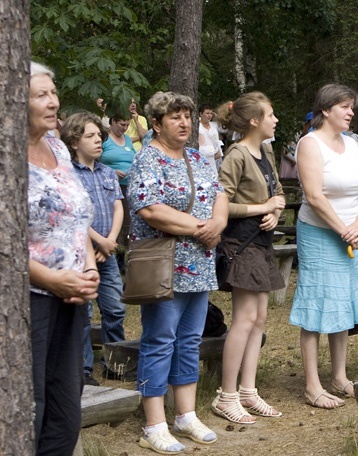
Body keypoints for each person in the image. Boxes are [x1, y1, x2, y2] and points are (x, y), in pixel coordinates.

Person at [127, 91, 228, 454]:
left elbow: (219, 194)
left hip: (199, 262)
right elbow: (149, 209)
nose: (184, 122)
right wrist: (200, 227)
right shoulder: (147, 159)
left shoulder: (199, 158)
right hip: (163, 264)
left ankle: (185, 415)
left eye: (187, 116)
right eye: (175, 117)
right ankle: (154, 423)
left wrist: (217, 222)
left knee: (189, 339)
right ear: (156, 124)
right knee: (160, 339)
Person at [28, 61, 99, 456]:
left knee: (65, 413)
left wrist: (87, 267)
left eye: (54, 93)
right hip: (26, 302)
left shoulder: (57, 145)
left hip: (71, 298)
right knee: (26, 408)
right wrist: (51, 279)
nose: (54, 102)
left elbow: (77, 219)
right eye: (41, 94)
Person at [289, 84, 358, 409]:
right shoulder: (309, 143)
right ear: (326, 110)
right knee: (317, 306)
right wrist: (343, 230)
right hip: (321, 235)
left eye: (352, 107)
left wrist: (357, 226)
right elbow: (313, 196)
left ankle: (339, 377)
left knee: (344, 305)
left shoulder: (354, 144)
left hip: (352, 236)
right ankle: (312, 385)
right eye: (344, 107)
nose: (351, 112)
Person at [211, 92, 286, 424]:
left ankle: (247, 391)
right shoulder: (237, 154)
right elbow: (221, 202)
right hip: (241, 245)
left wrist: (275, 210)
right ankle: (226, 396)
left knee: (258, 320)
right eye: (271, 115)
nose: (276, 120)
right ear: (254, 120)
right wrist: (262, 209)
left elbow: (279, 193)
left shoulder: (266, 150)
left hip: (262, 244)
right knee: (243, 320)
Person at [61, 111, 127, 386]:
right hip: (80, 254)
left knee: (115, 308)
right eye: (90, 136)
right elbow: (73, 215)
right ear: (75, 142)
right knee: (84, 314)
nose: (98, 141)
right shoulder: (67, 173)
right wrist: (98, 241)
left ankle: (115, 362)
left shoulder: (107, 172)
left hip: (107, 253)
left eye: (99, 136)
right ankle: (83, 369)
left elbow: (118, 206)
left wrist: (109, 241)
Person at [100, 110, 135, 244]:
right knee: (117, 216)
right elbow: (96, 161)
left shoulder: (127, 139)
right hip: (111, 184)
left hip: (129, 183)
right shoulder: (105, 138)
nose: (125, 128)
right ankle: (116, 245)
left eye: (127, 125)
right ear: (113, 122)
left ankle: (126, 247)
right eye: (122, 125)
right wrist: (112, 172)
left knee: (128, 218)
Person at [198, 103, 224, 173]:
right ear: (201, 114)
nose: (209, 116)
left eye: (211, 113)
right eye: (207, 113)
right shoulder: (197, 127)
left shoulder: (214, 126)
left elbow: (224, 128)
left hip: (214, 158)